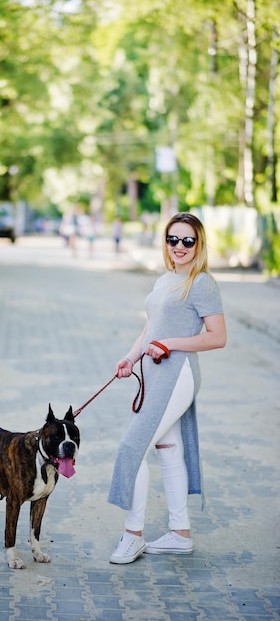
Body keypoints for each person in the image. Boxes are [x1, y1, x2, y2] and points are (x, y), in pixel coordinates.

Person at [108, 212, 227, 564]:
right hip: (157, 371)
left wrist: (172, 343)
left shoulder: (202, 283)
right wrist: (130, 358)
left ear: (199, 244)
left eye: (187, 240)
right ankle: (180, 533)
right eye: (172, 239)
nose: (179, 246)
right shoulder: (165, 280)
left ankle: (133, 535)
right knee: (168, 448)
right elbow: (150, 327)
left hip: (179, 375)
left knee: (132, 446)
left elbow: (217, 337)